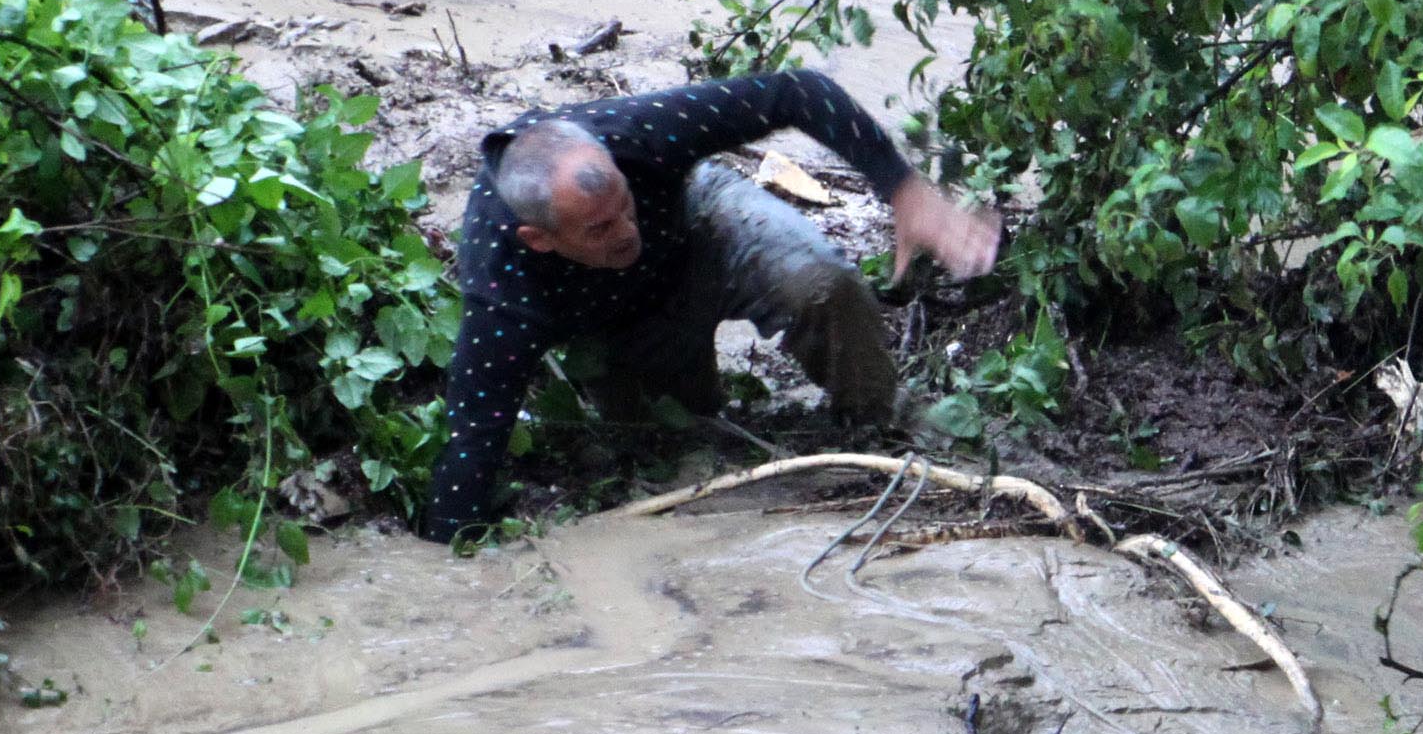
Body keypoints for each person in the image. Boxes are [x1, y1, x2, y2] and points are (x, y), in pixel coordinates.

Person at [420, 69, 999, 544]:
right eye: (599, 228)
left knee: (822, 283)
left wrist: (904, 190)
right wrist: (448, 558)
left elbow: (795, 91)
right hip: (616, 321)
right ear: (540, 240)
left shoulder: (640, 131)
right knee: (677, 440)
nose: (625, 232)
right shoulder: (504, 289)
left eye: (625, 205)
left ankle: (878, 426)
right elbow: (475, 435)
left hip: (699, 222)